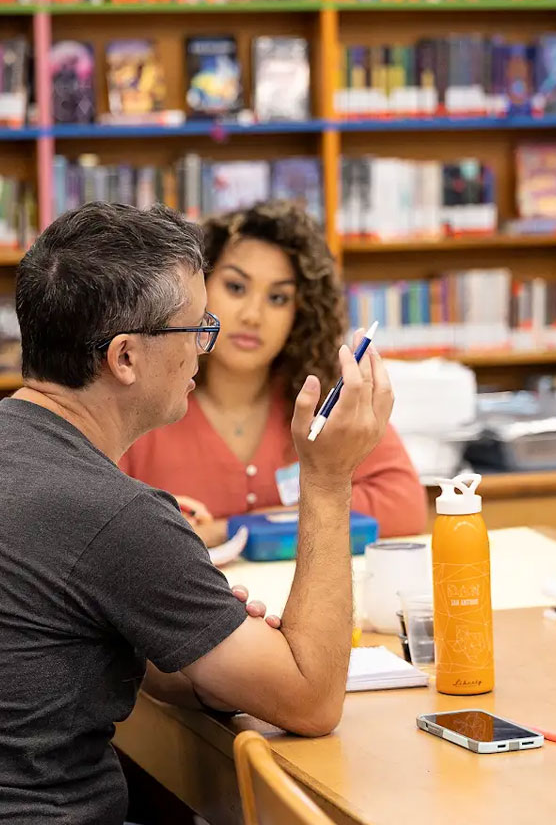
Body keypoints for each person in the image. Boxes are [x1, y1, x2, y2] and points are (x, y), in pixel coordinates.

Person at [0, 203, 392, 824]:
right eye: (195, 329)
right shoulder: (115, 515)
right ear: (125, 358)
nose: (204, 349)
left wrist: (187, 620)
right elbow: (312, 699)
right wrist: (327, 476)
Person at [120, 201, 426, 544]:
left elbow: (404, 506)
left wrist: (233, 529)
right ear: (196, 291)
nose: (253, 315)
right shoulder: (144, 400)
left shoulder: (321, 397)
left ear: (302, 312)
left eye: (278, 298)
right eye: (236, 288)